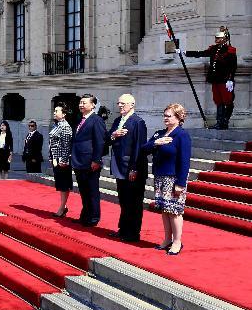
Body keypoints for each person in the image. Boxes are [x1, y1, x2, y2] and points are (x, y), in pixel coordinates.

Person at [143, 103, 192, 255]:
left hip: (174, 178)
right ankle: (167, 239)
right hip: (160, 177)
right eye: (164, 115)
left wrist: (180, 184)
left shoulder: (182, 135)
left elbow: (184, 161)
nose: (165, 118)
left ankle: (177, 242)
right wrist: (155, 143)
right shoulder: (159, 133)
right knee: (165, 210)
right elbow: (144, 149)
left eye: (168, 116)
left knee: (174, 211)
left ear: (178, 118)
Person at [107, 94, 148, 242]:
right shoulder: (118, 121)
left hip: (132, 168)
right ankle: (123, 228)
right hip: (119, 166)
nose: (120, 106)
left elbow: (139, 147)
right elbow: (107, 139)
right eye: (119, 103)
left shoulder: (138, 122)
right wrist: (114, 134)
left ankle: (133, 233)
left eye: (123, 103)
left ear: (132, 105)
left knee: (134, 202)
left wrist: (134, 168)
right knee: (124, 200)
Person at [182, 26, 237, 129]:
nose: (216, 40)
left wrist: (230, 79)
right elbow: (201, 53)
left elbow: (233, 67)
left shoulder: (230, 50)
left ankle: (225, 122)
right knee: (218, 101)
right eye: (216, 38)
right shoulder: (214, 49)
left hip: (225, 80)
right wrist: (186, 53)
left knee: (227, 101)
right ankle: (219, 122)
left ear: (225, 39)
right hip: (215, 79)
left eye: (218, 38)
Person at [71, 94, 106, 227]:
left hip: (90, 162)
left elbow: (99, 141)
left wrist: (96, 160)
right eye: (80, 102)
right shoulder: (81, 119)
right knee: (84, 191)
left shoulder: (96, 120)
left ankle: (93, 218)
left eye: (84, 103)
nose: (81, 105)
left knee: (92, 191)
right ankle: (85, 216)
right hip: (79, 161)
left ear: (92, 105)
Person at [48, 105, 74, 217]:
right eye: (54, 110)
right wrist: (52, 158)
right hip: (56, 159)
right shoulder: (56, 125)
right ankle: (63, 206)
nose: (54, 112)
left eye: (57, 111)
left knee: (64, 184)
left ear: (64, 114)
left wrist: (63, 160)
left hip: (62, 161)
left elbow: (67, 145)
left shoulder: (65, 126)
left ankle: (62, 207)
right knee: (60, 184)